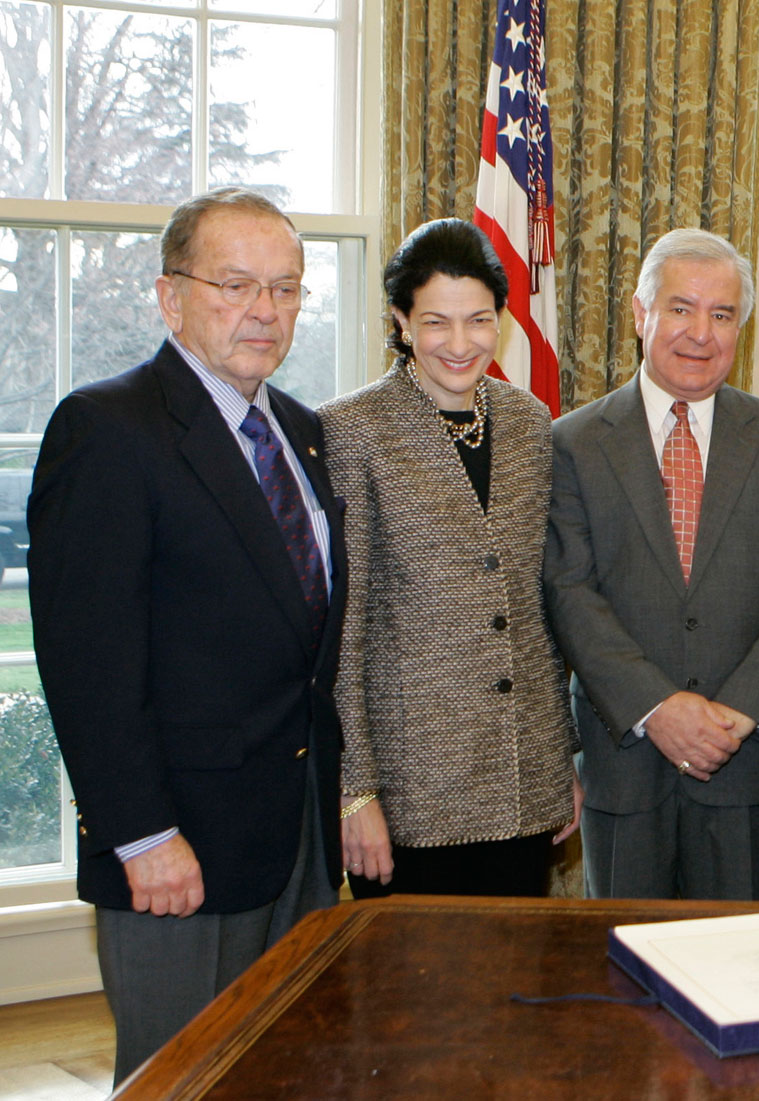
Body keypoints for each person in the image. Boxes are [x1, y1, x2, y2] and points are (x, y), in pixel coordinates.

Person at [28, 188, 344, 1081]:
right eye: (236, 284)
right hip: (182, 848)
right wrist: (140, 834)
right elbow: (88, 661)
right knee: (180, 1075)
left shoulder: (302, 433)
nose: (264, 310)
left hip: (298, 843)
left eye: (285, 288)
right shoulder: (108, 429)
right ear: (171, 296)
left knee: (284, 1067)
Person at [544, 227, 759, 901]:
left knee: (743, 974)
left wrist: (734, 713)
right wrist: (658, 707)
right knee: (620, 979)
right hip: (626, 764)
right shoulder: (573, 443)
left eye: (722, 314)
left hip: (744, 768)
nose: (701, 332)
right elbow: (569, 590)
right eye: (680, 308)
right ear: (640, 315)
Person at [322, 219, 578, 899]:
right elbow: (342, 632)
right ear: (402, 321)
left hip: (525, 781)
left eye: (479, 320)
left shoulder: (530, 423)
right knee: (413, 999)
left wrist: (560, 766)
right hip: (412, 797)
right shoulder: (353, 431)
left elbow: (536, 609)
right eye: (437, 321)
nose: (460, 344)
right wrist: (354, 792)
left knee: (518, 991)